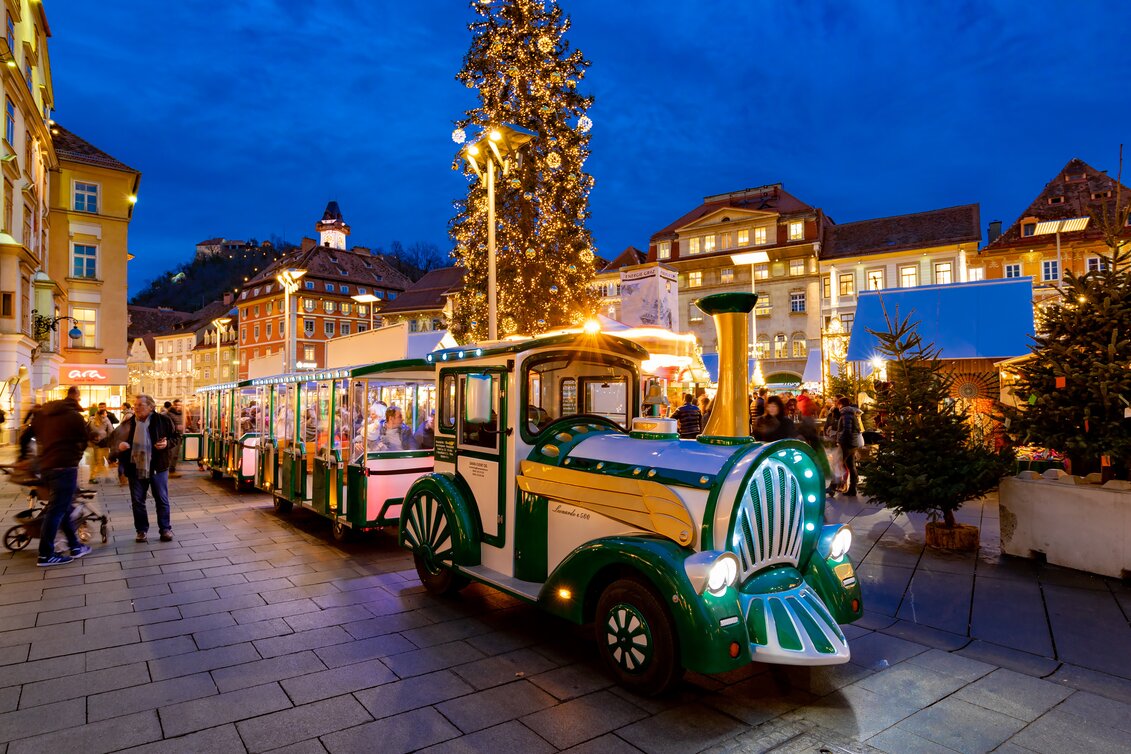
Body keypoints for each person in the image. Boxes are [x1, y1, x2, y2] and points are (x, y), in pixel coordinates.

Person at [33, 387, 92, 566]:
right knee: (56, 511)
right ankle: (46, 554)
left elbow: (33, 436)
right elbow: (84, 439)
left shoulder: (43, 415)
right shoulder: (74, 417)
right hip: (65, 467)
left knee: (62, 507)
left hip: (46, 466)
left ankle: (75, 546)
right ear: (75, 401)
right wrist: (76, 456)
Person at [114, 394, 177, 543]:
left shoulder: (163, 420)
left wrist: (167, 444)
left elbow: (176, 437)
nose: (136, 407)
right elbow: (115, 440)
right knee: (137, 500)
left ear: (151, 407)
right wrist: (120, 447)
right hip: (135, 466)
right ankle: (141, 530)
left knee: (161, 499)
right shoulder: (128, 423)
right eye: (135, 405)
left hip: (158, 466)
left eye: (140, 405)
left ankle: (165, 529)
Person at [837, 397, 863, 496]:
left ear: (841, 405)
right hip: (853, 443)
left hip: (847, 444)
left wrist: (839, 440)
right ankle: (852, 488)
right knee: (851, 465)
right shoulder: (852, 414)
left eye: (838, 404)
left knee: (838, 464)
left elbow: (847, 430)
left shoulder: (846, 415)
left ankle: (835, 486)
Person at [86, 408, 113, 483]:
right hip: (104, 443)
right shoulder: (106, 420)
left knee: (98, 461)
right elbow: (111, 431)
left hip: (95, 443)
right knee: (103, 461)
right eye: (105, 413)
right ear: (103, 414)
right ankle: (95, 477)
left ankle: (104, 476)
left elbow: (89, 431)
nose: (106, 414)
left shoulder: (91, 420)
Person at [165, 398, 186, 477]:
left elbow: (187, 422)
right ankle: (169, 468)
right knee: (171, 453)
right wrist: (176, 427)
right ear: (173, 405)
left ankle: (173, 467)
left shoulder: (184, 413)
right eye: (176, 405)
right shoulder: (169, 413)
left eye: (179, 405)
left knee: (176, 454)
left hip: (181, 435)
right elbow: (167, 425)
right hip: (172, 436)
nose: (178, 407)